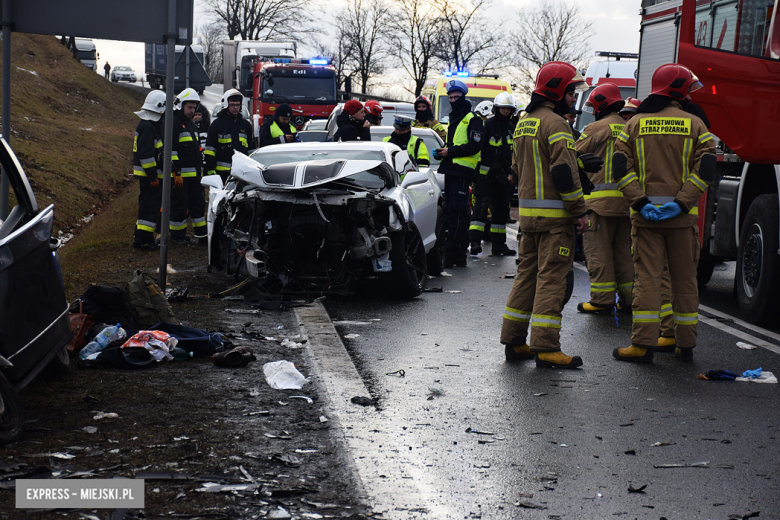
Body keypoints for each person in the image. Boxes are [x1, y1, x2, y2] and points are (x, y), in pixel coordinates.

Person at [612, 64, 716, 364]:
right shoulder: (696, 124)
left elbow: (621, 168)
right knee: (685, 281)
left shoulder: (634, 125)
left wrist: (640, 202)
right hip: (681, 220)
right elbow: (706, 168)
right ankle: (685, 344)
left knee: (647, 280)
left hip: (646, 220)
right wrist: (682, 203)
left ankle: (642, 345)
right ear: (680, 90)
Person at [500, 61, 589, 368]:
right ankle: (546, 348)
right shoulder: (557, 124)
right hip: (555, 222)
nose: (572, 97)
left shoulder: (523, 122)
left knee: (526, 278)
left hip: (529, 220)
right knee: (552, 281)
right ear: (557, 90)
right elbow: (564, 173)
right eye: (570, 90)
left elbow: (515, 169)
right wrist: (580, 212)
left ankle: (514, 341)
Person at [574, 83, 633, 315]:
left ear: (600, 105)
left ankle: (601, 299)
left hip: (599, 204)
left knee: (598, 252)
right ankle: (629, 300)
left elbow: (573, 155)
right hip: (626, 203)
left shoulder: (595, 128)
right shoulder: (630, 128)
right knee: (623, 254)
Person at [433, 80, 484, 268]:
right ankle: (455, 255)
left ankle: (455, 255)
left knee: (458, 214)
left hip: (463, 172)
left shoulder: (472, 119)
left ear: (464, 97)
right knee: (453, 213)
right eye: (451, 97)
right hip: (451, 170)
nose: (453, 100)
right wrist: (444, 152)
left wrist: (450, 152)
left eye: (457, 97)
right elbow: (456, 144)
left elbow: (475, 145)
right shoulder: (454, 118)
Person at [469, 92, 517, 257]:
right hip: (486, 175)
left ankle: (499, 245)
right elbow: (479, 150)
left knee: (501, 210)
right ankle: (474, 243)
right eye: (503, 108)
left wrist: (511, 172)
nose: (505, 111)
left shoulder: (511, 128)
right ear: (497, 108)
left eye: (508, 108)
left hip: (503, 177)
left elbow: (512, 154)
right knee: (481, 209)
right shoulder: (487, 125)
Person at [169, 88, 207, 246]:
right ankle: (177, 236)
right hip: (180, 177)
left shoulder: (191, 124)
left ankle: (202, 236)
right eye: (189, 107)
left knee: (198, 205)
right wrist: (176, 172)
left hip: (195, 176)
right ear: (180, 106)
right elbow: (171, 151)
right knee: (179, 206)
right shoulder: (174, 123)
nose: (192, 111)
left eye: (194, 107)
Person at [131, 90, 167, 251]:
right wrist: (153, 177)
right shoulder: (147, 126)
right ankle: (145, 239)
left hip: (150, 175)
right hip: (149, 176)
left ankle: (139, 238)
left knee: (147, 206)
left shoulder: (150, 124)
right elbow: (146, 155)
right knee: (150, 207)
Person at [204, 89, 255, 182]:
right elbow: (210, 148)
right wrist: (210, 168)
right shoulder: (217, 124)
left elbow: (251, 149)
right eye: (232, 105)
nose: (235, 107)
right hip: (222, 172)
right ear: (226, 105)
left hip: (242, 172)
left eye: (238, 105)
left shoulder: (246, 125)